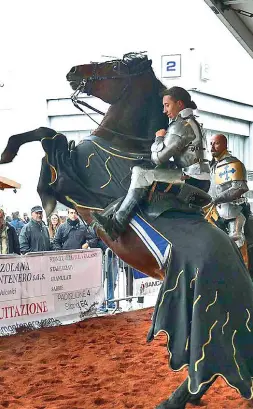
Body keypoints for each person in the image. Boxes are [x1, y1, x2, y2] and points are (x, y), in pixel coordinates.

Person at [92, 86, 210, 240]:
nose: (164, 110)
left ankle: (117, 225)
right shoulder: (192, 122)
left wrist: (159, 138)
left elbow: (158, 158)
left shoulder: (181, 125)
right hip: (197, 176)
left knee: (140, 174)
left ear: (180, 104)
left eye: (167, 105)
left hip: (192, 179)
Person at [208, 133, 249, 247]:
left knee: (237, 244)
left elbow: (240, 187)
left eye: (216, 144)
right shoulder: (211, 165)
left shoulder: (233, 163)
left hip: (233, 212)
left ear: (225, 145)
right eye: (210, 144)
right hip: (215, 214)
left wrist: (216, 199)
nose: (212, 147)